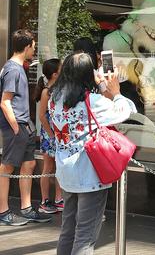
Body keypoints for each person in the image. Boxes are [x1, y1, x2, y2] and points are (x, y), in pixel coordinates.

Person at [49, 52, 136, 254]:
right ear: (89, 74)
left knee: (68, 230)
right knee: (85, 236)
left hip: (65, 172)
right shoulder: (92, 101)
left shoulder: (55, 97)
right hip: (89, 175)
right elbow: (124, 111)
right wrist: (115, 92)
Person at [0, 29, 52, 226]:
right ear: (27, 46)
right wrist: (15, 127)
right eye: (33, 46)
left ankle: (27, 208)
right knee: (7, 166)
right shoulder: (13, 69)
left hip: (24, 125)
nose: (34, 50)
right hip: (17, 125)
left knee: (29, 164)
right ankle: (3, 211)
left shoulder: (17, 67)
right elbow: (5, 101)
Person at [35, 58, 64, 214]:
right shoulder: (47, 91)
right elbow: (41, 116)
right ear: (54, 74)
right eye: (61, 69)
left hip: (59, 133)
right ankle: (44, 200)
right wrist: (51, 135)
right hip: (49, 133)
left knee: (59, 166)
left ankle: (59, 199)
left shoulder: (60, 89)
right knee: (48, 166)